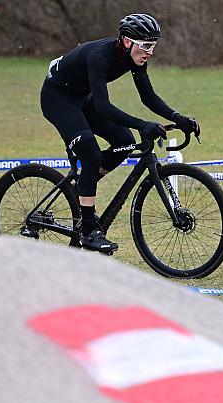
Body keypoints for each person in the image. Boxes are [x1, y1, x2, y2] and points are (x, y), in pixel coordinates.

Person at [41, 13, 200, 253]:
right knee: (91, 153)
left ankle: (81, 189)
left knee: (124, 141)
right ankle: (88, 231)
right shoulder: (99, 56)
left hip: (82, 98)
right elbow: (104, 107)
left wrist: (178, 118)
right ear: (127, 41)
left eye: (153, 46)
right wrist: (142, 124)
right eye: (146, 45)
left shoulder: (135, 58)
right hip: (58, 98)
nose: (150, 52)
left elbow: (148, 97)